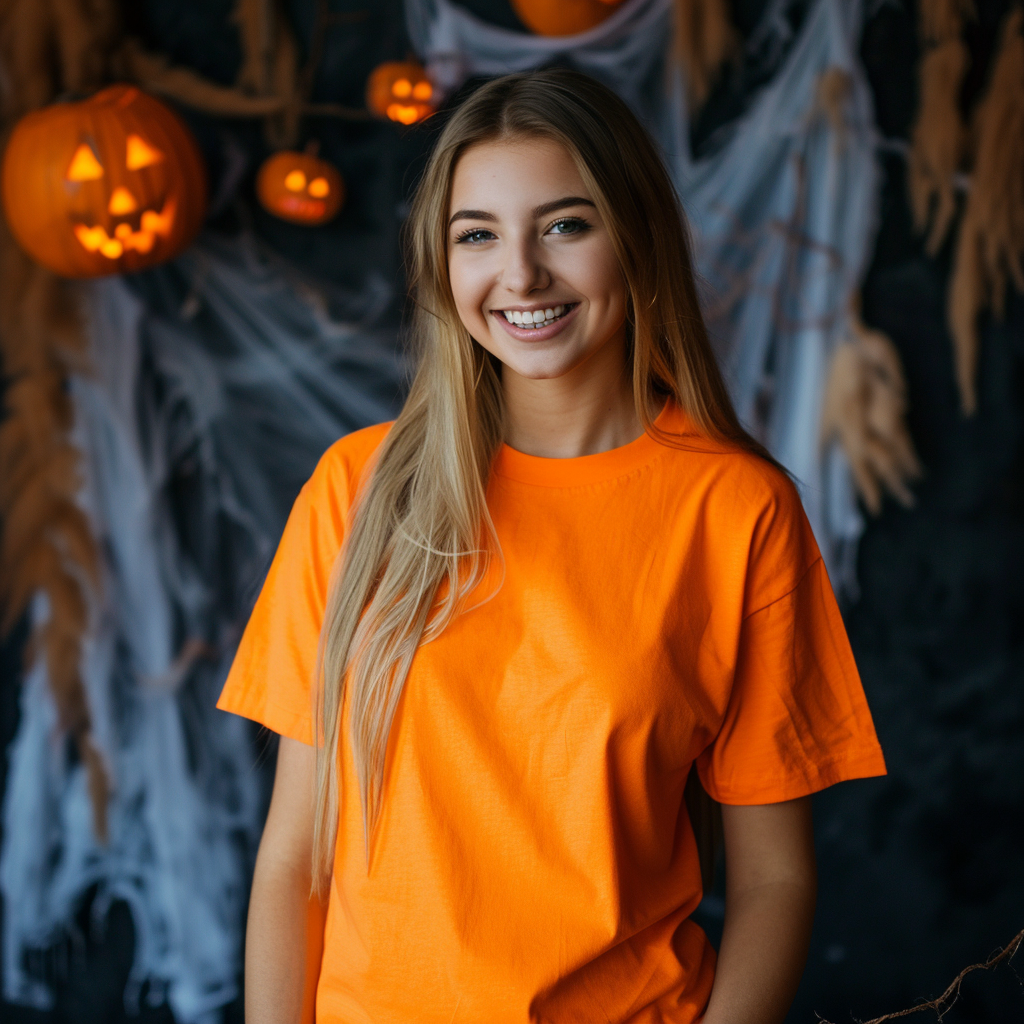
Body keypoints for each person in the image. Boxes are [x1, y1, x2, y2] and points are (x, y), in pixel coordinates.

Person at [218, 68, 886, 1024]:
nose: (521, 275)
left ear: (637, 238)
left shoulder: (737, 508)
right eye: (477, 235)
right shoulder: (359, 491)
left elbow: (776, 878)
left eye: (566, 226)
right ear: (441, 264)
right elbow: (296, 855)